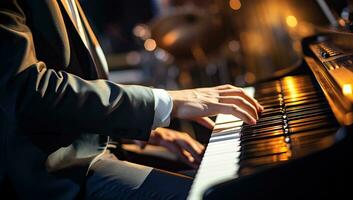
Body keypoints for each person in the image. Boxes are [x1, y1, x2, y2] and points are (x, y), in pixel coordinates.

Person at [0, 0, 263, 199]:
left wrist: (135, 131)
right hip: (52, 172)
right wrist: (166, 102)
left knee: (243, 179)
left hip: (96, 149)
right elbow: (26, 90)